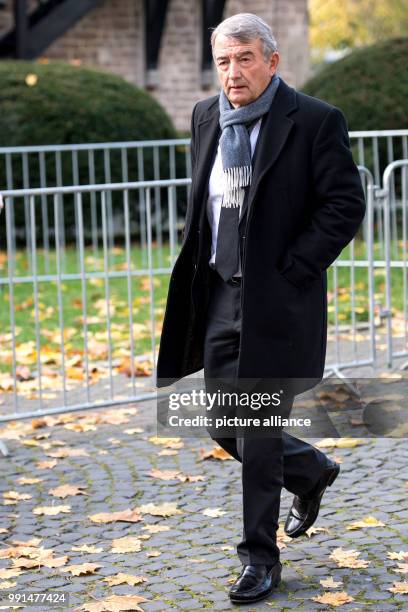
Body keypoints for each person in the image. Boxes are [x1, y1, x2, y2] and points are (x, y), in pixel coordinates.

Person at [156, 12, 366, 605]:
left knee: (258, 427)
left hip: (279, 300)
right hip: (220, 293)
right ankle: (309, 471)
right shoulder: (205, 117)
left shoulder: (315, 120)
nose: (233, 72)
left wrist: (294, 269)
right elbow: (205, 198)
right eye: (223, 60)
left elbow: (344, 204)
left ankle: (260, 560)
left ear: (272, 61)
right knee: (225, 421)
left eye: (245, 57)